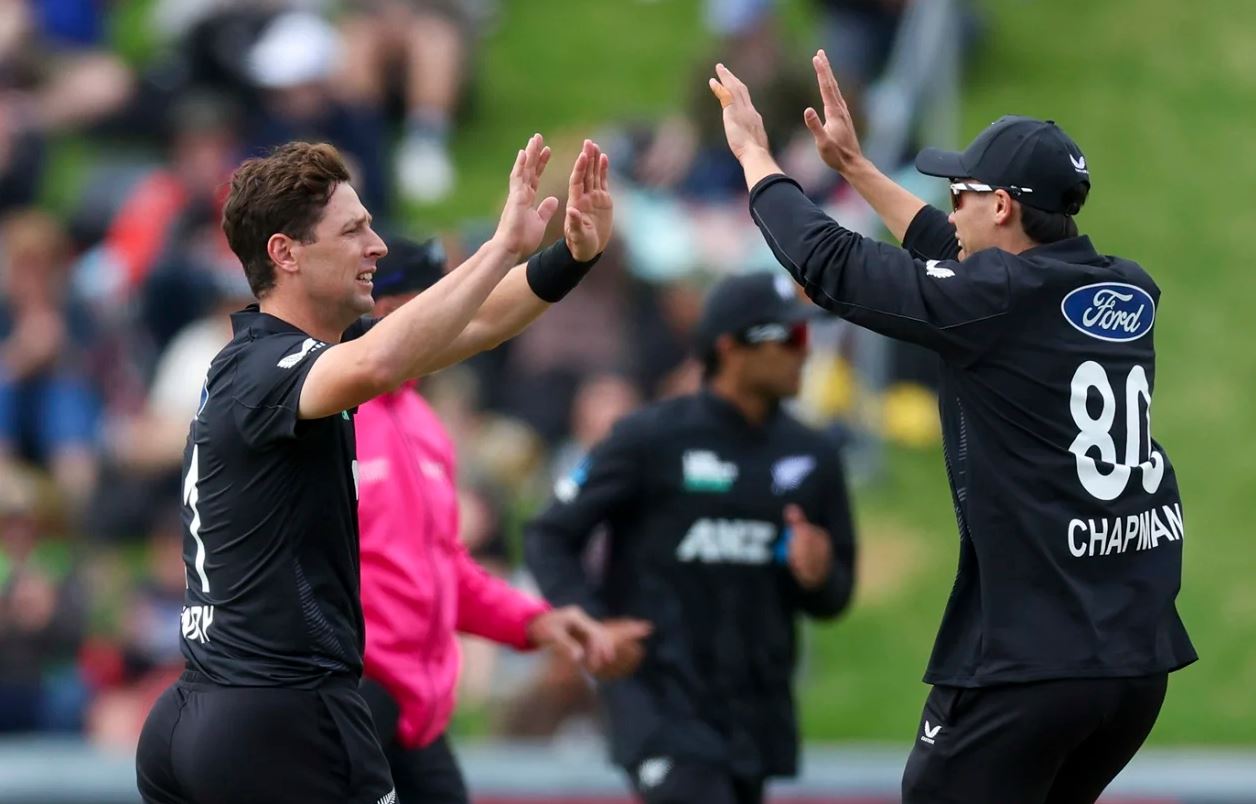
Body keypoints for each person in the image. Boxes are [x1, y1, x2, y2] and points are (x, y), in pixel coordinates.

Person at [709, 50, 1196, 804]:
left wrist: (754, 157)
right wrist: (857, 169)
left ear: (1001, 206)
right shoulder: (1123, 286)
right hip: (1133, 664)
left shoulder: (993, 300)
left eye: (959, 193)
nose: (949, 207)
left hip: (1032, 663)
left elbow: (829, 262)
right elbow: (958, 256)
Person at [134, 134, 617, 804]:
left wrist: (572, 256)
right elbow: (380, 361)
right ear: (286, 253)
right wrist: (501, 246)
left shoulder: (286, 364)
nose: (378, 246)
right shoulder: (269, 368)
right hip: (283, 714)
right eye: (353, 230)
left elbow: (478, 324)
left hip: (224, 712)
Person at [525, 272, 857, 804]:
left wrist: (818, 574)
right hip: (660, 699)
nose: (805, 351)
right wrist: (592, 623)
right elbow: (549, 534)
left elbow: (835, 596)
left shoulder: (813, 455)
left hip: (754, 711)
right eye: (790, 337)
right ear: (730, 348)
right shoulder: (648, 438)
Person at [354, 235, 620, 804]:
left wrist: (534, 622)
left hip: (415, 711)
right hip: (349, 698)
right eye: (434, 301)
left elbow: (443, 566)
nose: (450, 318)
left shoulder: (423, 425)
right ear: (387, 308)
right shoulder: (330, 411)